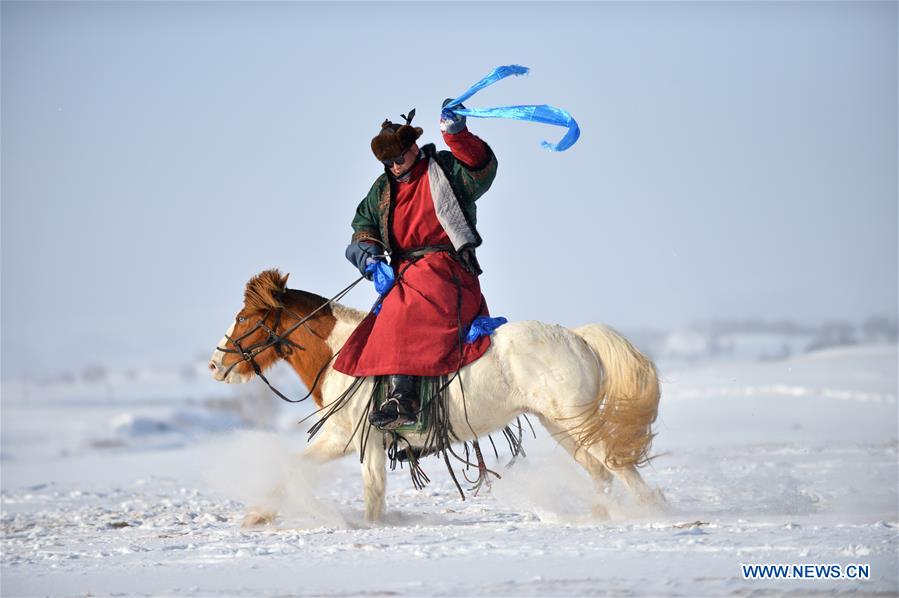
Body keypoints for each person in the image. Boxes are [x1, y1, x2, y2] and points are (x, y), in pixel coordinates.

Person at [332, 101, 498, 429]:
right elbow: (363, 226)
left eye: (399, 158)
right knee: (378, 320)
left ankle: (404, 401)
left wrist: (457, 135)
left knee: (399, 309)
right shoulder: (382, 189)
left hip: (446, 268)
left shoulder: (445, 169)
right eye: (387, 162)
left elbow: (480, 169)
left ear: (413, 148)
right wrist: (369, 257)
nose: (394, 167)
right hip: (405, 272)